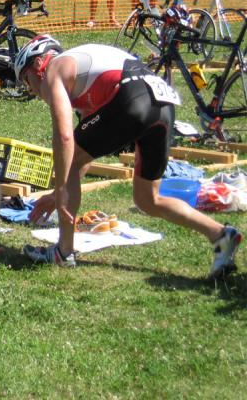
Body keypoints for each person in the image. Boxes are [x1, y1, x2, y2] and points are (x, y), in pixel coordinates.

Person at [13, 32, 243, 278]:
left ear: (39, 63)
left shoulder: (53, 71)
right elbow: (85, 153)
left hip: (132, 97)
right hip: (161, 107)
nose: (31, 90)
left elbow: (65, 138)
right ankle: (220, 234)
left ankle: (63, 251)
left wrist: (60, 190)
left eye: (26, 79)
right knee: (148, 199)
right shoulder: (82, 73)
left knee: (69, 161)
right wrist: (59, 191)